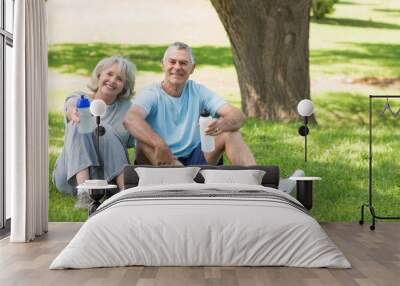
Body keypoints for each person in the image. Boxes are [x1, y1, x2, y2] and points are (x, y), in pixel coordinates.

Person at [123, 42, 256, 166]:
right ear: (163, 64)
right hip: (158, 158)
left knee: (231, 133)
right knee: (143, 143)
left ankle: (256, 182)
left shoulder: (198, 91)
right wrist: (160, 145)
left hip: (194, 158)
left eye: (183, 63)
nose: (177, 67)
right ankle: (179, 182)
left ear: (192, 68)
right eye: (172, 62)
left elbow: (238, 116)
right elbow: (130, 119)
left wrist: (223, 124)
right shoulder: (151, 93)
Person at [53, 55, 136, 196]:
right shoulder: (80, 98)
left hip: (107, 178)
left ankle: (126, 193)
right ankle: (85, 192)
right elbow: (71, 106)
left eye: (120, 79)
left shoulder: (128, 110)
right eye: (109, 74)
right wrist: (73, 112)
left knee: (104, 129)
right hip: (70, 177)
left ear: (124, 87)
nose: (112, 81)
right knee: (82, 122)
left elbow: (139, 142)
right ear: (99, 75)